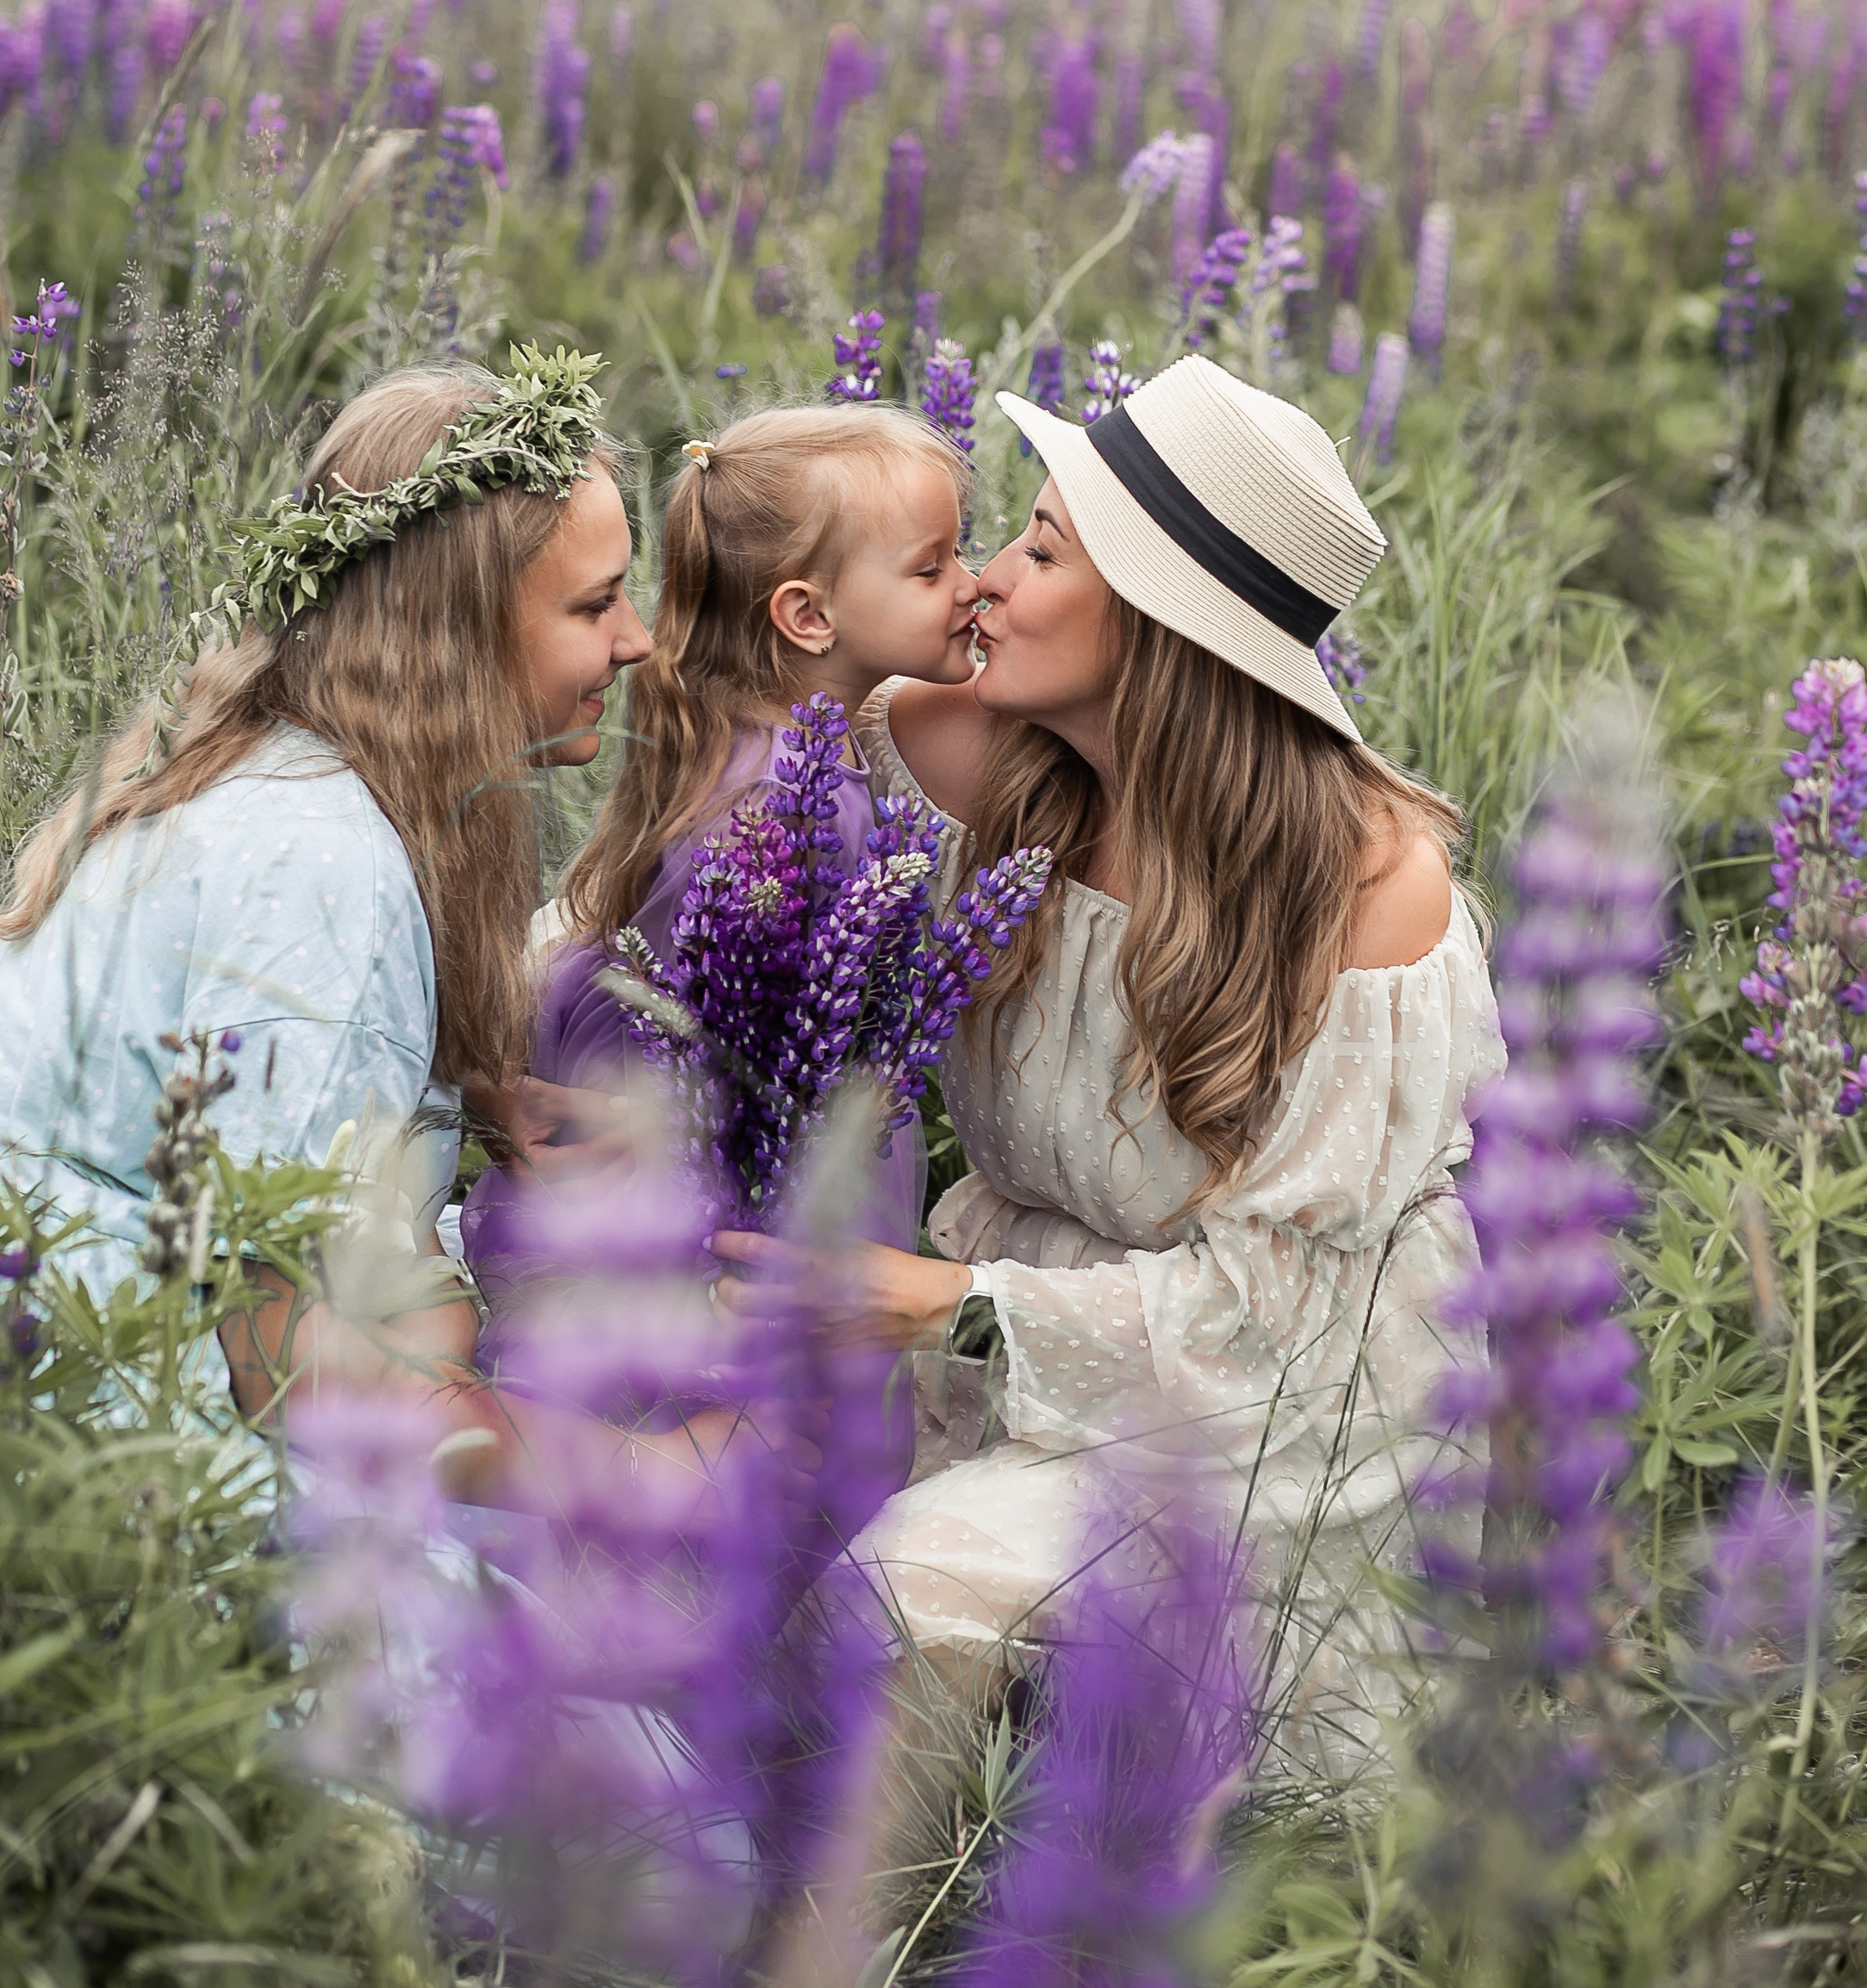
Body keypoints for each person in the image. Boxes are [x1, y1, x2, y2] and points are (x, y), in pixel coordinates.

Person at [713, 354, 1508, 1768]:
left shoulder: (1369, 888)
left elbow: (1279, 1320)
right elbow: (725, 801)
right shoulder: (978, 755)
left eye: (1039, 549)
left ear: (1157, 621)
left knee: (899, 1618)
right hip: (1015, 1349)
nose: (987, 582)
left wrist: (952, 1302)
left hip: (1274, 1420)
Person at [0, 346, 775, 1524]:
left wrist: (457, 1102)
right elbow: (295, 1369)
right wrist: (651, 1475)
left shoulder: (280, 768)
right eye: (592, 604)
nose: (635, 641)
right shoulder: (327, 870)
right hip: (97, 1426)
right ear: (458, 637)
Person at [459, 401, 980, 1520]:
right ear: (808, 613)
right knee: (742, 1541)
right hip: (722, 1284)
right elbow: (732, 1104)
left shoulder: (745, 750)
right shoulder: (792, 819)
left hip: (694, 1233)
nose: (971, 585)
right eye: (934, 566)